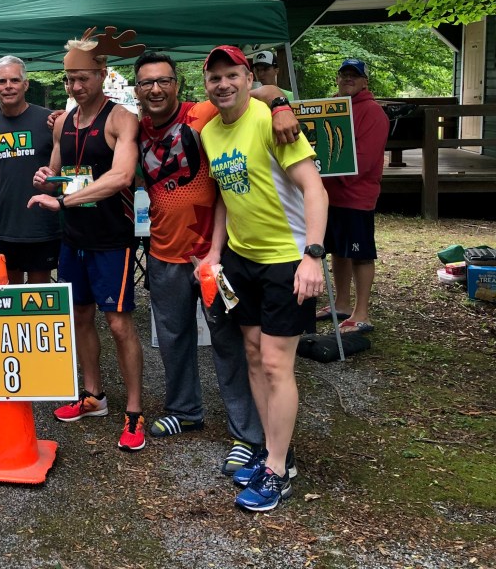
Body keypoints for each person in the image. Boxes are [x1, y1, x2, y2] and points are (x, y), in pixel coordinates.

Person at [134, 49, 301, 475]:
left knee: (230, 343)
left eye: (164, 81)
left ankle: (248, 433)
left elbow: (264, 90)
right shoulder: (137, 128)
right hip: (163, 252)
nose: (156, 89)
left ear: (177, 84)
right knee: (173, 337)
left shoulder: (203, 112)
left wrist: (281, 106)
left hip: (215, 256)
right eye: (147, 82)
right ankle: (184, 410)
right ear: (137, 90)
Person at [199, 45, 328, 512]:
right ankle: (275, 452)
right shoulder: (210, 131)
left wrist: (313, 256)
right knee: (253, 355)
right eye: (214, 77)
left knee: (276, 363)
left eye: (232, 75)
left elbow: (314, 188)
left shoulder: (272, 121)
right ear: (205, 84)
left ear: (248, 77)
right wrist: (215, 252)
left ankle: (277, 472)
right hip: (241, 260)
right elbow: (223, 195)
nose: (223, 84)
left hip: (286, 259)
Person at [28, 26, 147, 452]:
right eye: (69, 80)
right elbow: (55, 174)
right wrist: (46, 179)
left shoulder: (121, 118)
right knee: (79, 317)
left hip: (112, 238)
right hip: (73, 237)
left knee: (118, 323)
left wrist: (64, 199)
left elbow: (122, 176)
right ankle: (93, 395)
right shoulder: (63, 123)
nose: (76, 87)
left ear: (101, 74)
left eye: (82, 78)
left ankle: (134, 411)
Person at [0, 55, 61, 284]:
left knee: (39, 293)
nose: (8, 86)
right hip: (4, 228)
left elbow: (63, 170)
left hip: (41, 226)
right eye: (2, 81)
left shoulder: (49, 121)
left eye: (15, 80)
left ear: (26, 84)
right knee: (9, 293)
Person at [323, 59, 388, 334]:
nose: (348, 78)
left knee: (361, 254)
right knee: (338, 250)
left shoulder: (373, 112)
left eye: (354, 75)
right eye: (344, 74)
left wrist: (327, 171)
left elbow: (364, 159)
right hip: (330, 195)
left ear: (364, 82)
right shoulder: (331, 107)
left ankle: (362, 314)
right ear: (337, 79)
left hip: (356, 196)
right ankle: (341, 304)